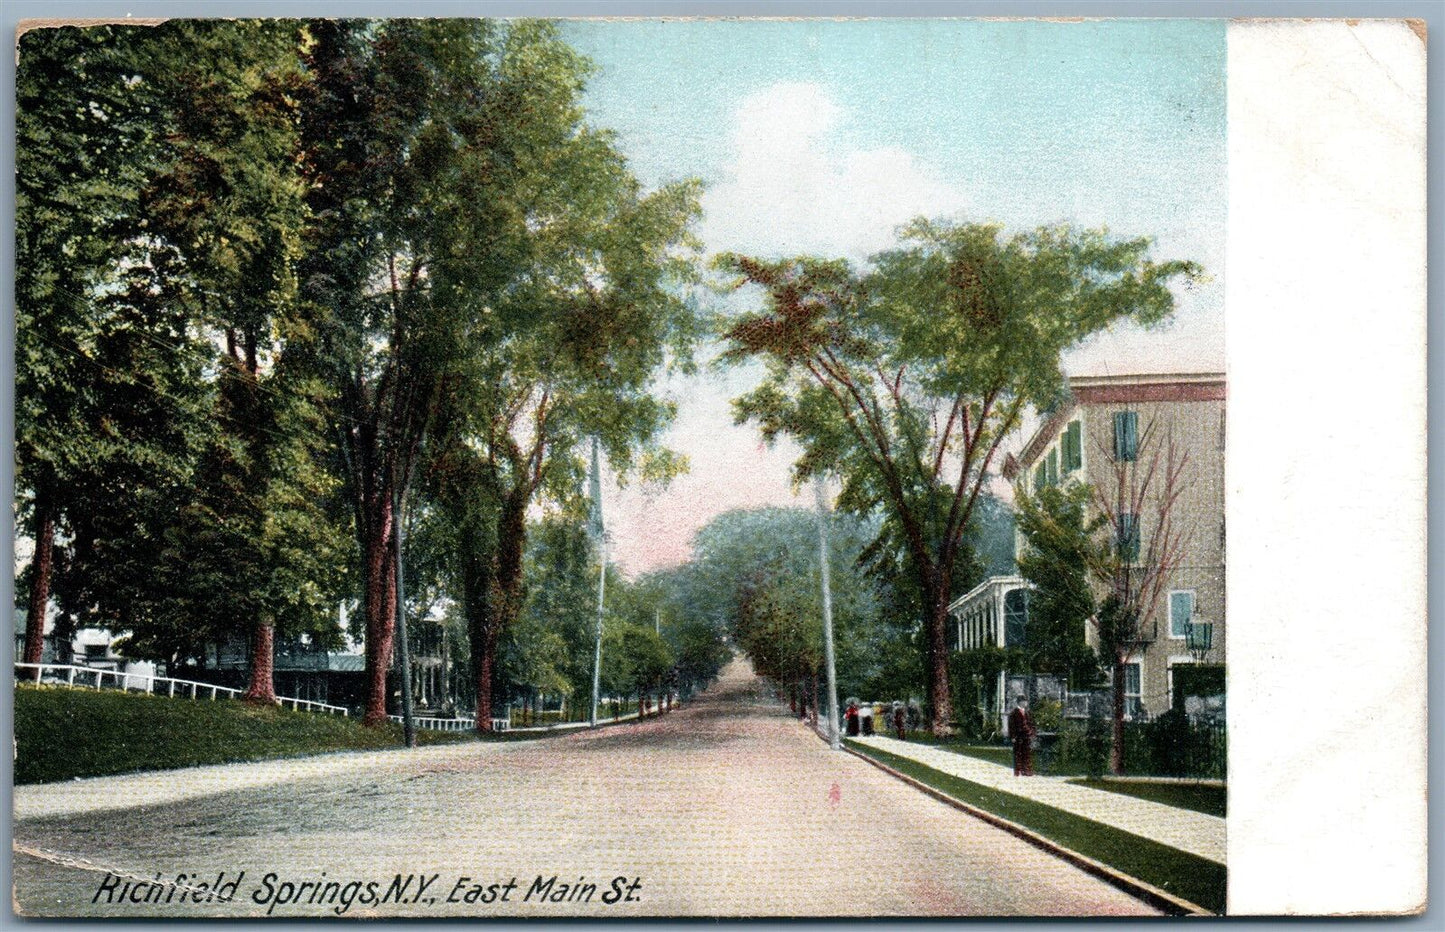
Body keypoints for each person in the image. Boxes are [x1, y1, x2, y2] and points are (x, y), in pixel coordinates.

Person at [1008, 696, 1036, 776]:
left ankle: (1026, 770)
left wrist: (1032, 732)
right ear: (1020, 702)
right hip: (1018, 736)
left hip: (1026, 736)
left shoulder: (1027, 713)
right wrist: (1013, 736)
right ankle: (1017, 770)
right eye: (1024, 701)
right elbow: (1012, 726)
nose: (1026, 703)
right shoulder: (1014, 713)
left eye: (1026, 702)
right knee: (1018, 753)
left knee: (1026, 753)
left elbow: (1031, 723)